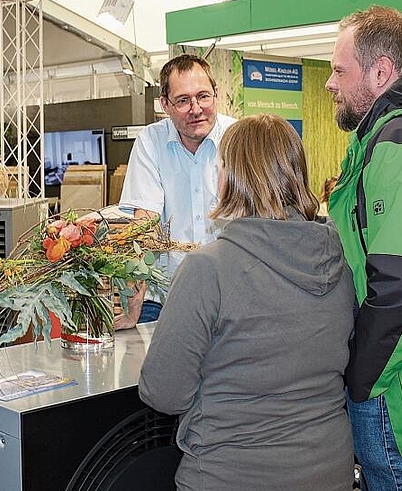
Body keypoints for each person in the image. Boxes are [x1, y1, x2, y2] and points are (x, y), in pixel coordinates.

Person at [139, 114, 355, 490]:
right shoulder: (342, 257)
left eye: (220, 166)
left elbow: (164, 392)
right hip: (328, 467)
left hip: (231, 472)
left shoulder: (208, 269)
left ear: (232, 177)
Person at [325, 5, 402, 488]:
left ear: (381, 72)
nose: (329, 83)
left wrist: (360, 378)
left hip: (399, 394)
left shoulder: (399, 141)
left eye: (338, 71)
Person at [117, 54, 236, 329]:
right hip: (163, 299)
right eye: (183, 100)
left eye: (204, 96)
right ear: (165, 105)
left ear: (216, 95)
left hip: (228, 300)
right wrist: (132, 306)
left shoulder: (238, 136)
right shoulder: (150, 142)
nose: (196, 109)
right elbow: (143, 228)